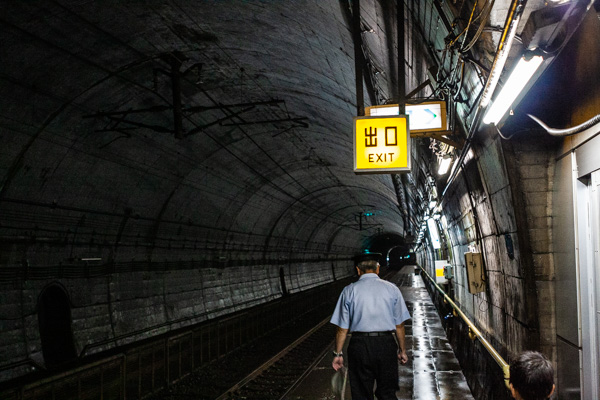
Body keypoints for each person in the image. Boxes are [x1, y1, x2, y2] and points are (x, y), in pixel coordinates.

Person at [330, 252, 411, 400]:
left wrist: (338, 353)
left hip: (359, 346)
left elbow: (342, 328)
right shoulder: (392, 289)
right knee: (387, 392)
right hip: (386, 345)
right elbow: (399, 325)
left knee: (361, 392)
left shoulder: (349, 291)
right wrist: (402, 350)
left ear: (358, 270)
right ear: (378, 269)